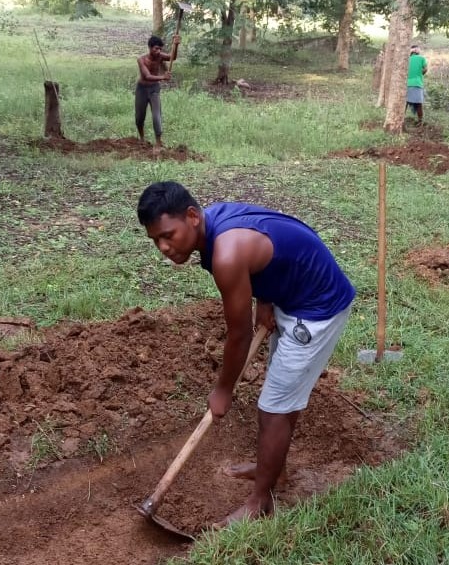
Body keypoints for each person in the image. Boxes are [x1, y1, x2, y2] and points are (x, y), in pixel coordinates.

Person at [137, 181, 356, 526]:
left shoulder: (226, 254)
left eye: (167, 235)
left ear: (192, 216)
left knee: (273, 409)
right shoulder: (216, 221)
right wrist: (264, 299)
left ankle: (260, 502)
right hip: (292, 295)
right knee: (282, 399)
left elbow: (239, 336)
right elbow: (272, 245)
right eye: (155, 241)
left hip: (317, 308)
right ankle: (274, 469)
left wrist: (223, 390)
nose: (163, 247)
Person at [136, 35, 180, 150]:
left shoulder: (160, 56)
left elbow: (172, 57)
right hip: (142, 89)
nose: (158, 51)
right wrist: (163, 77)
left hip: (154, 89)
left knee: (157, 116)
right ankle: (142, 139)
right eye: (156, 48)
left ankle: (158, 142)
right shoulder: (141, 60)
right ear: (150, 48)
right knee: (139, 117)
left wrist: (176, 45)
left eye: (160, 49)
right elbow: (147, 76)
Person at [406, 44, 428, 125]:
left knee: (405, 103)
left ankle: (400, 120)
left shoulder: (407, 59)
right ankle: (420, 121)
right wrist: (420, 73)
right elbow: (425, 69)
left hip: (406, 84)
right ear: (417, 51)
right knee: (418, 103)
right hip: (417, 83)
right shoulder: (422, 58)